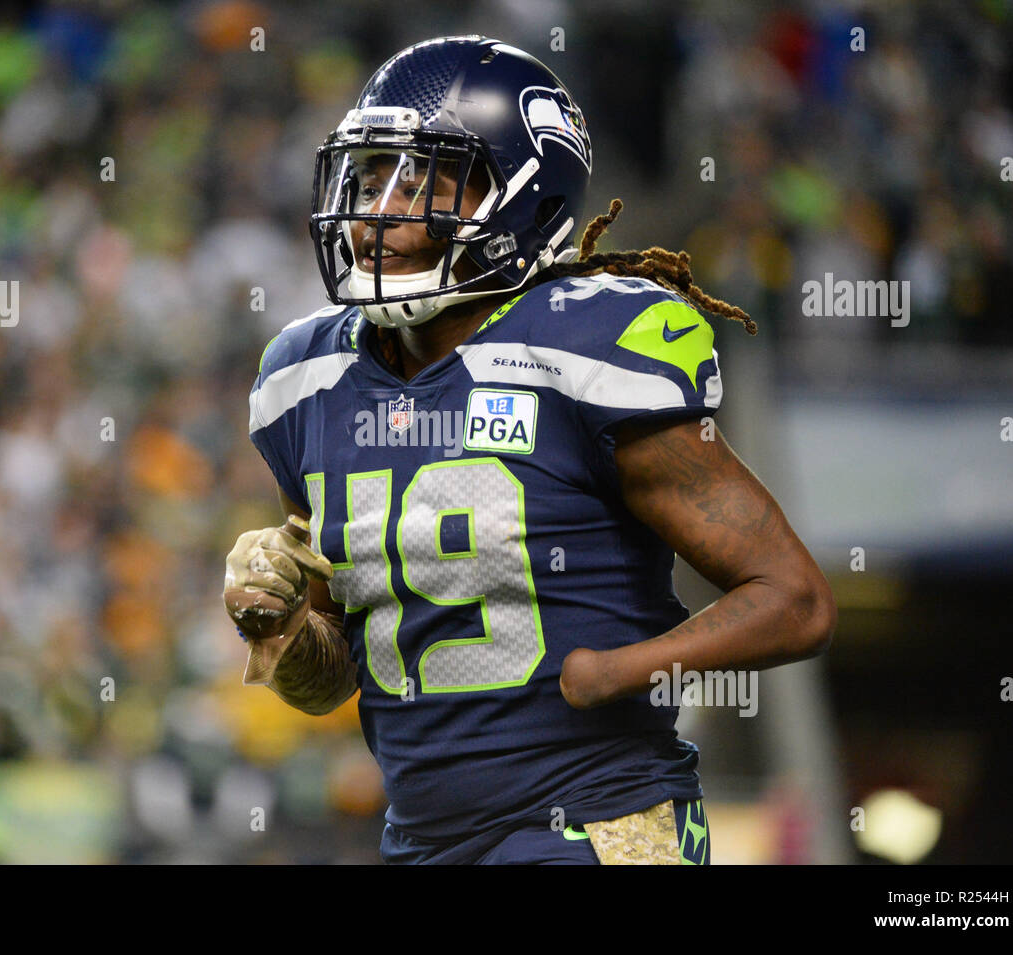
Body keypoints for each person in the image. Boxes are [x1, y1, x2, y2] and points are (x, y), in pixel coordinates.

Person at [223, 35, 835, 864]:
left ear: (520, 198)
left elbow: (794, 598)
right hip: (424, 843)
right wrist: (286, 624)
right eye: (369, 177)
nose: (378, 208)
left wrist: (626, 669)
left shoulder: (586, 351)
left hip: (603, 825)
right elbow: (335, 675)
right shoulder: (308, 379)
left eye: (421, 178)